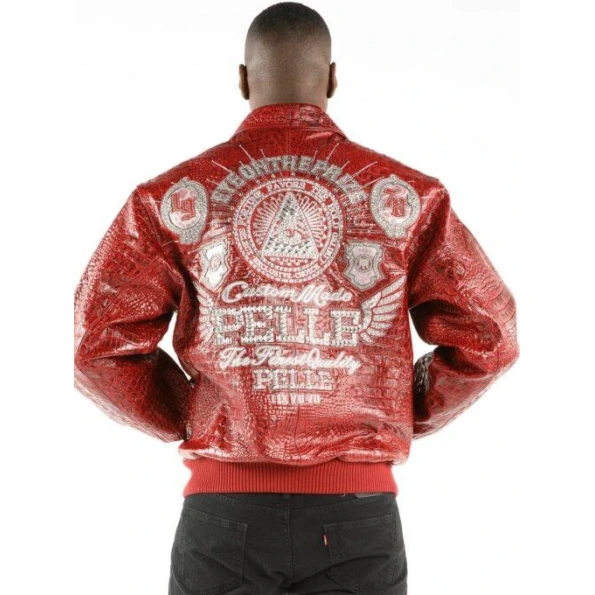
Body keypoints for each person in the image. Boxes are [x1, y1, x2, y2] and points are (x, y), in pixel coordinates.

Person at [73, 3, 520, 594]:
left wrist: (200, 414)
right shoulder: (411, 198)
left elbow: (100, 347)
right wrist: (396, 410)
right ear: (332, 79)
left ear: (243, 80)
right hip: (359, 523)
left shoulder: (170, 199)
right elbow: (489, 335)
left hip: (221, 522)